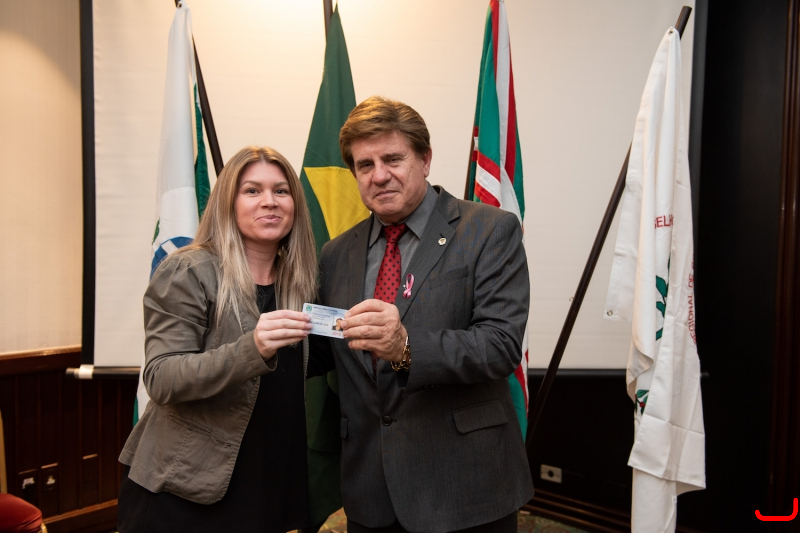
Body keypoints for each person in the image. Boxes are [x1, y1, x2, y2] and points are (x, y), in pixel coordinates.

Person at [308, 96, 534, 533]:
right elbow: (325, 350)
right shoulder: (336, 253)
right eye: (365, 165)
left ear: (425, 159)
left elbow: (500, 345)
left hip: (465, 488)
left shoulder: (489, 229)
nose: (379, 175)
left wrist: (405, 347)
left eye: (393, 159)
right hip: (371, 489)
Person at [118, 146, 318, 533]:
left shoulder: (300, 283)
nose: (270, 202)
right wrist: (253, 348)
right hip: (185, 490)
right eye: (252, 190)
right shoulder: (189, 270)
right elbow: (162, 377)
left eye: (281, 191)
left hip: (267, 484)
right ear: (228, 203)